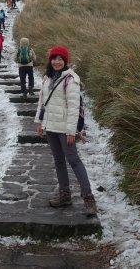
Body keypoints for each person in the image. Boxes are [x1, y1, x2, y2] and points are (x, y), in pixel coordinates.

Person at [34, 46, 97, 216]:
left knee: (74, 160)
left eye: (60, 59)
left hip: (64, 127)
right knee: (58, 160)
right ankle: (64, 194)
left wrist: (71, 131)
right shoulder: (47, 77)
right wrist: (39, 122)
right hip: (51, 125)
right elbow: (42, 101)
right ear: (50, 60)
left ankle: (88, 197)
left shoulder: (71, 80)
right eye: (54, 58)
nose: (57, 62)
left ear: (66, 61)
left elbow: (74, 108)